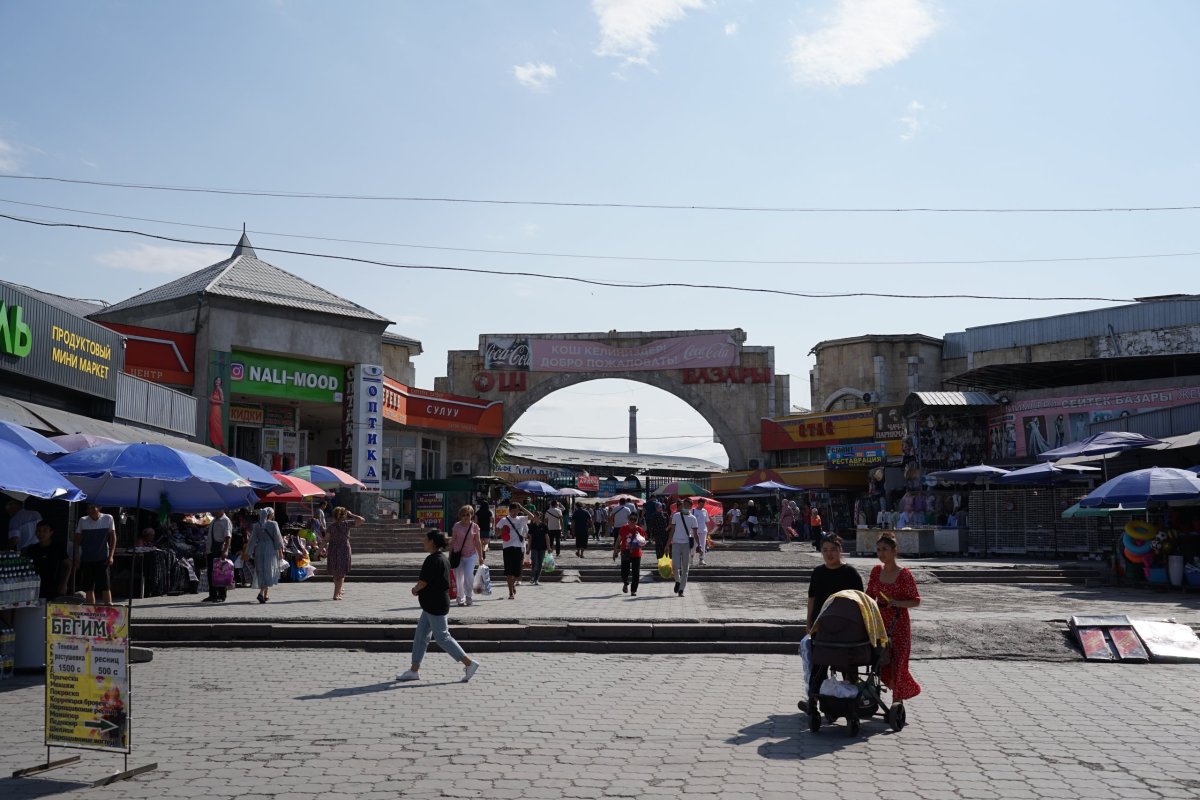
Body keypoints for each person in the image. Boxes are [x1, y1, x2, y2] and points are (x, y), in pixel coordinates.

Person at [396, 530, 480, 683]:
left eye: (426, 539)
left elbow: (423, 582)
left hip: (435, 604)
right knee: (421, 635)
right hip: (432, 604)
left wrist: (415, 589)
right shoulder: (442, 558)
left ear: (432, 543)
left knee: (442, 637)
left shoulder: (432, 560)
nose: (423, 541)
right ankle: (414, 670)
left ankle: (469, 663)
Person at [797, 534, 864, 713]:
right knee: (818, 666)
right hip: (822, 626)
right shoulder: (818, 572)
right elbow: (812, 597)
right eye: (825, 550)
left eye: (833, 550)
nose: (829, 554)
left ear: (840, 550)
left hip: (846, 629)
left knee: (848, 667)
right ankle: (814, 701)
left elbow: (860, 601)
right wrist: (808, 621)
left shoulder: (850, 573)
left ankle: (851, 701)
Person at [867, 533, 921, 707]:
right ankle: (882, 695)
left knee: (898, 663)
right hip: (880, 622)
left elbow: (916, 600)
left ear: (894, 551)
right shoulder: (876, 571)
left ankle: (896, 702)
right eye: (878, 550)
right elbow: (869, 596)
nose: (881, 553)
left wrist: (897, 602)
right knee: (882, 662)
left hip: (899, 623)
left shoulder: (904, 574)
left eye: (885, 549)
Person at [74, 504, 116, 605]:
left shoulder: (108, 518)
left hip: (102, 558)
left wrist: (111, 555)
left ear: (99, 507)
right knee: (89, 587)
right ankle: (90, 610)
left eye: (92, 508)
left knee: (105, 586)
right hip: (87, 558)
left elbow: (113, 537)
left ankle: (108, 608)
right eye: (88, 508)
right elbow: (77, 541)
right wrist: (77, 557)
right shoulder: (83, 520)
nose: (90, 510)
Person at [23, 521, 71, 599]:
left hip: (54, 587)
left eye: (44, 530)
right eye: (38, 531)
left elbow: (69, 564)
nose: (41, 534)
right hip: (35, 587)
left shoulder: (57, 548)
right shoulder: (32, 549)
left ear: (51, 532)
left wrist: (64, 583)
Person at [325, 506, 364, 601]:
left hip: (333, 549)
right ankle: (336, 594)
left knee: (335, 573)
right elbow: (362, 520)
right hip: (344, 550)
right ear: (344, 515)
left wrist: (318, 551)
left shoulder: (331, 527)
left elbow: (325, 540)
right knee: (341, 574)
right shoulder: (347, 524)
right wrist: (351, 514)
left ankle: (339, 591)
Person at [448, 505, 483, 606]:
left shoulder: (475, 527)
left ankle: (468, 595)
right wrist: (449, 556)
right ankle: (460, 596)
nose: (466, 517)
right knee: (459, 577)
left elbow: (478, 542)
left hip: (470, 555)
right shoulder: (456, 526)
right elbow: (453, 541)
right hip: (458, 555)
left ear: (471, 515)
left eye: (468, 514)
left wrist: (480, 556)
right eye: (463, 515)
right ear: (460, 516)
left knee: (468, 575)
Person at [248, 507, 284, 603]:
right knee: (269, 570)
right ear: (270, 514)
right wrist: (280, 553)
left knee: (262, 571)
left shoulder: (256, 525)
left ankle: (265, 595)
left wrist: (248, 552)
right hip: (270, 549)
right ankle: (261, 593)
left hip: (259, 549)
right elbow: (278, 539)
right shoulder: (273, 524)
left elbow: (251, 540)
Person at [496, 503, 529, 599]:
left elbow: (532, 517)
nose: (514, 513)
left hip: (519, 547)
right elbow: (497, 532)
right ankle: (510, 592)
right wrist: (502, 531)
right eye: (513, 511)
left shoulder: (521, 519)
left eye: (516, 511)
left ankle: (512, 584)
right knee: (509, 571)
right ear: (509, 511)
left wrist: (522, 507)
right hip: (507, 547)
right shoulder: (504, 520)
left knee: (517, 572)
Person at [668, 498, 699, 597]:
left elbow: (695, 533)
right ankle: (677, 581)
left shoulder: (693, 518)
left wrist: (700, 546)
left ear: (691, 506)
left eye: (687, 505)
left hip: (686, 544)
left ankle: (681, 589)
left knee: (685, 568)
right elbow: (672, 531)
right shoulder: (676, 516)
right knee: (675, 566)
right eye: (683, 505)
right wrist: (667, 544)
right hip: (676, 543)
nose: (685, 507)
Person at [203, 509, 233, 603]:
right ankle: (212, 595)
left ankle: (221, 595)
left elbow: (228, 537)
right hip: (211, 550)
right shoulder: (214, 520)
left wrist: (225, 551)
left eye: (216, 509)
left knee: (220, 574)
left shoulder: (225, 520)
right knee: (211, 573)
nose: (214, 511)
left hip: (219, 550)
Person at [613, 512, 646, 596]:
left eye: (635, 519)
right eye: (631, 519)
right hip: (625, 552)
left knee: (636, 572)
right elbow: (618, 539)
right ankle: (626, 583)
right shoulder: (624, 528)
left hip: (636, 553)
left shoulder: (640, 530)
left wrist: (641, 542)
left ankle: (633, 590)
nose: (633, 521)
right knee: (624, 571)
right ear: (628, 520)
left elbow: (643, 541)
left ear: (637, 520)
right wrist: (615, 550)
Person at [526, 511, 551, 586]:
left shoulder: (544, 525)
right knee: (535, 562)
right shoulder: (532, 526)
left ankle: (536, 579)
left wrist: (549, 547)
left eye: (534, 516)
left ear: (538, 517)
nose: (533, 517)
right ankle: (533, 577)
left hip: (542, 547)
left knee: (540, 563)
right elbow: (530, 538)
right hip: (534, 547)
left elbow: (547, 537)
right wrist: (528, 548)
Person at [692, 499, 710, 566]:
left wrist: (708, 531)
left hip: (703, 530)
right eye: (701, 504)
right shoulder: (693, 510)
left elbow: (707, 521)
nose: (702, 505)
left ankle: (701, 559)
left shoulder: (705, 511)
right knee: (694, 546)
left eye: (703, 504)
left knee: (702, 546)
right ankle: (691, 559)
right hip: (694, 531)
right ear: (698, 503)